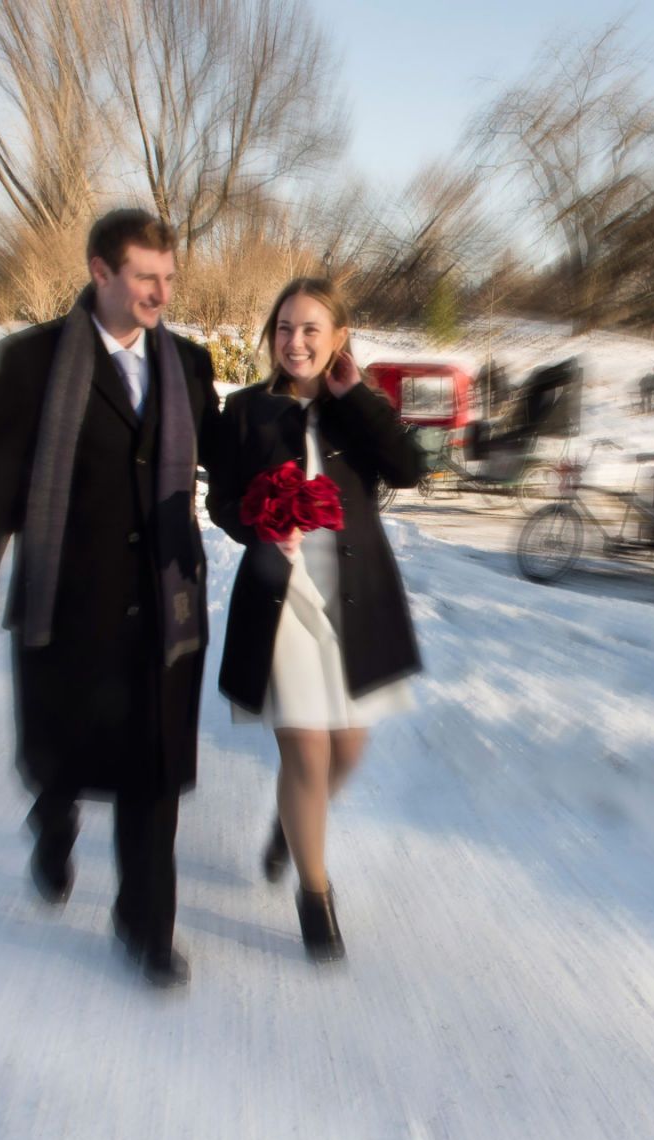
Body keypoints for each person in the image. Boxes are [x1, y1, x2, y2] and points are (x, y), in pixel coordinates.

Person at [0, 208, 224, 989]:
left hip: (165, 604)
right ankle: (53, 816)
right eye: (145, 277)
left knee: (153, 772)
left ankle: (145, 925)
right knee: (63, 750)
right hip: (69, 599)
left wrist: (279, 502)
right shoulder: (31, 363)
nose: (161, 291)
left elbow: (225, 472)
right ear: (101, 272)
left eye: (169, 277)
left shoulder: (188, 365)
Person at [206, 277, 423, 963]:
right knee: (307, 750)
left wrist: (355, 394)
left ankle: (292, 825)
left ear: (337, 339)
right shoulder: (243, 411)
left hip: (354, 597)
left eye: (310, 329)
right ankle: (315, 891)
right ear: (271, 335)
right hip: (282, 602)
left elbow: (410, 469)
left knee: (349, 750)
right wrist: (259, 525)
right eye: (284, 328)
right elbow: (222, 504)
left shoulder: (354, 408)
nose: (295, 341)